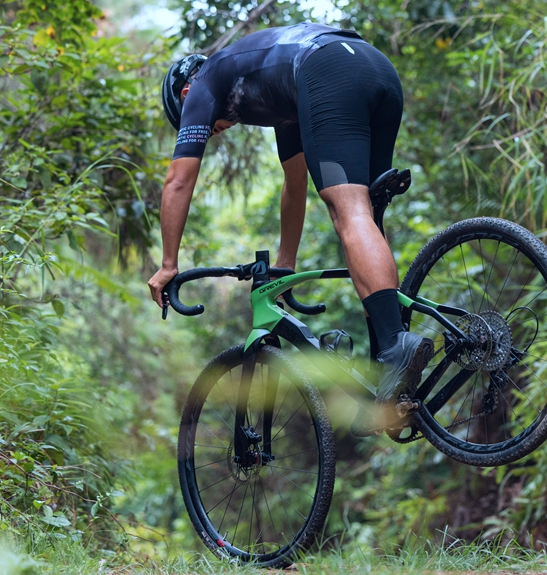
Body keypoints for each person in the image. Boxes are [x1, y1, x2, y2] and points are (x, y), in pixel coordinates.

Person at [146, 22, 432, 435]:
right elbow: (294, 182)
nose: (213, 131)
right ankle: (394, 378)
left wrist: (168, 264)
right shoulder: (276, 96)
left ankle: (395, 344)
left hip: (327, 68)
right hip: (375, 67)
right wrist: (286, 264)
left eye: (206, 127)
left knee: (348, 209)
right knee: (366, 212)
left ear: (185, 95)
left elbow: (177, 180)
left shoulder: (203, 84)